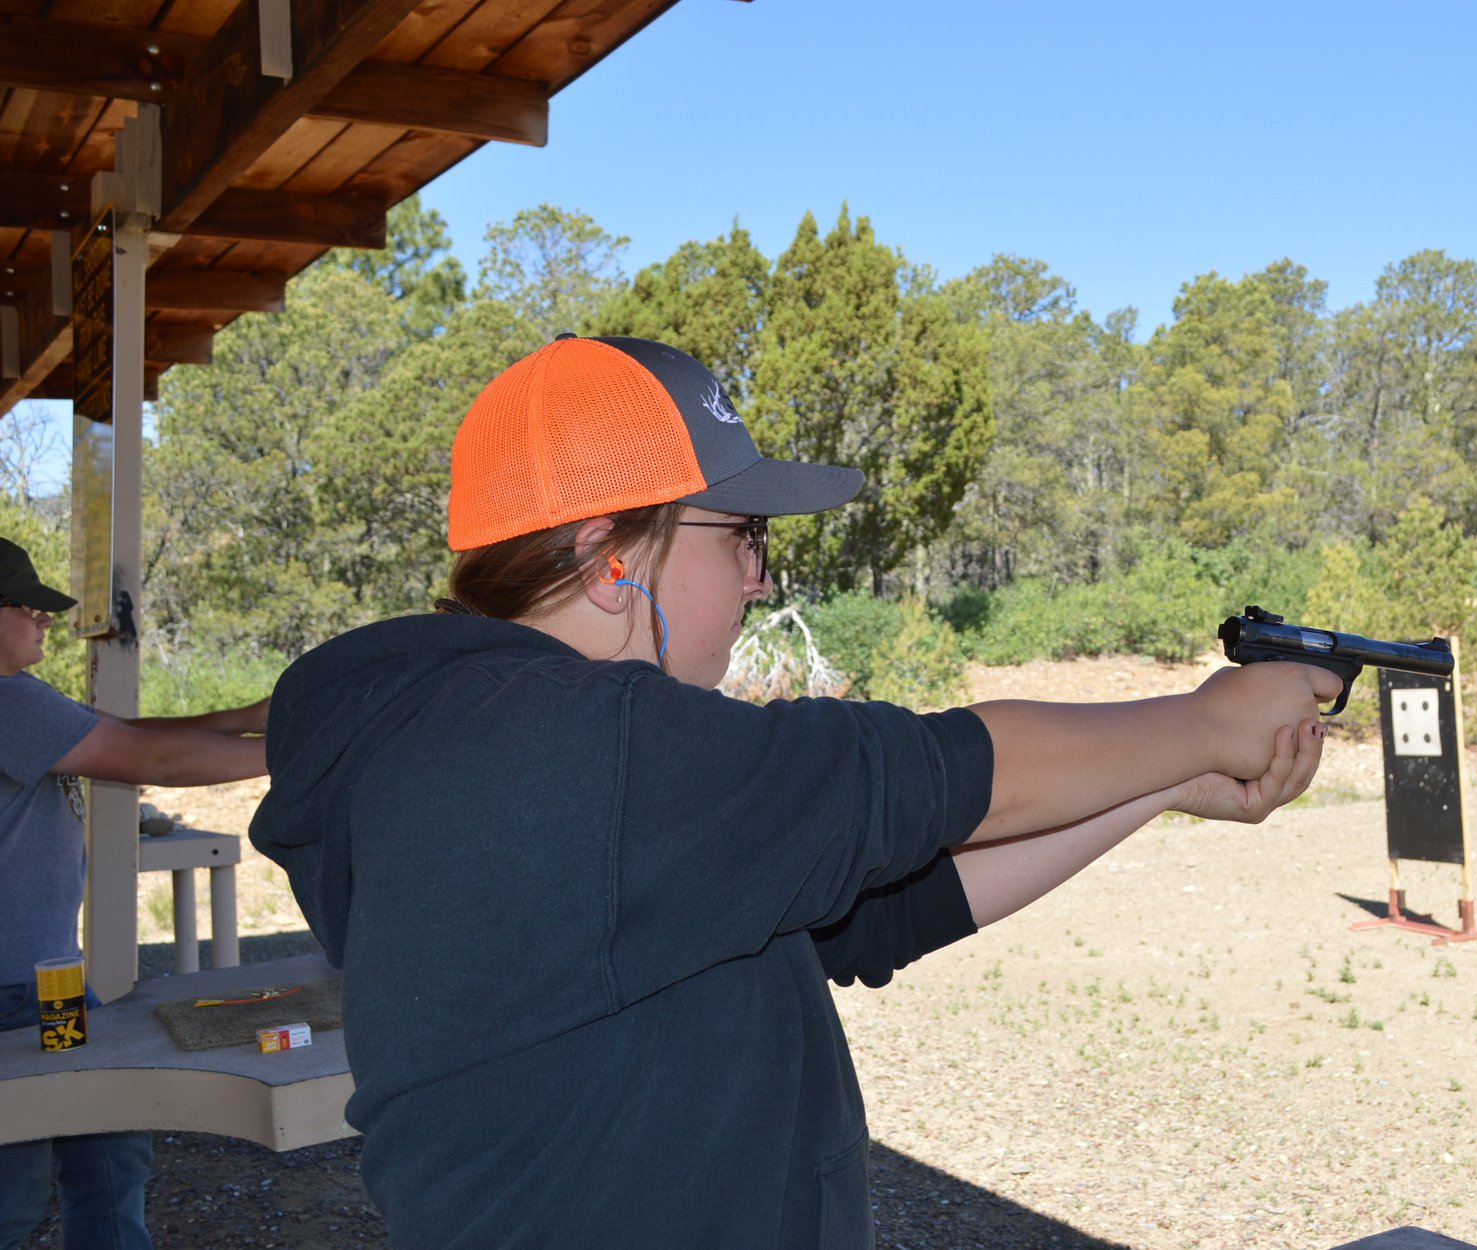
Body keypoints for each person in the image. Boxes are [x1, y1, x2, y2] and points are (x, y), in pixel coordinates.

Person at [248, 335, 1341, 1248]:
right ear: (606, 559)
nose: (759, 577)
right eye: (740, 535)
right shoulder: (561, 754)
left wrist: (1170, 775)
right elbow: (925, 775)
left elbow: (882, 906)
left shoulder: (492, 752)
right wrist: (1204, 719)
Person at [0, 538, 269, 1250]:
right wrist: (303, 746)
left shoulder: (21, 701)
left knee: (111, 1148)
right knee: (17, 1191)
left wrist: (248, 716)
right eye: (26, 606)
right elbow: (155, 759)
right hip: (12, 993)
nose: (44, 619)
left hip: (45, 983)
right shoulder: (6, 701)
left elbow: (122, 735)